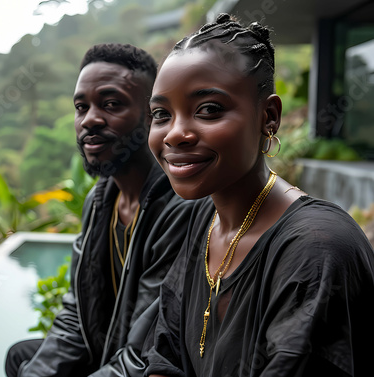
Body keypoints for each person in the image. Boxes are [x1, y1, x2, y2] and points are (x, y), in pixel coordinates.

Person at [144, 14, 374, 377]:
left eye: (208, 110)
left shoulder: (317, 251)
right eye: (161, 114)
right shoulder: (204, 221)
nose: (174, 134)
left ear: (268, 116)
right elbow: (165, 353)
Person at [5, 43, 194, 377]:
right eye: (81, 107)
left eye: (111, 104)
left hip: (154, 364)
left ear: (152, 114)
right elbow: (77, 311)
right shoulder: (100, 200)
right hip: (108, 347)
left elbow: (146, 351)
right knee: (22, 359)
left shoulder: (178, 205)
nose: (90, 119)